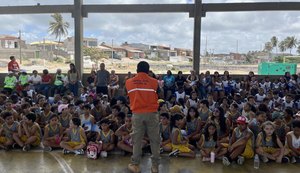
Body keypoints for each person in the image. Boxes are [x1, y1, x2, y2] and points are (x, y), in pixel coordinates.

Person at [125, 61, 160, 173]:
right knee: (154, 140)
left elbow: (128, 97)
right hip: (152, 114)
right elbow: (161, 95)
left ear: (137, 70)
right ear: (148, 70)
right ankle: (155, 166)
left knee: (137, 140)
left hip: (137, 114)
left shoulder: (129, 82)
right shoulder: (154, 82)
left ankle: (135, 165)